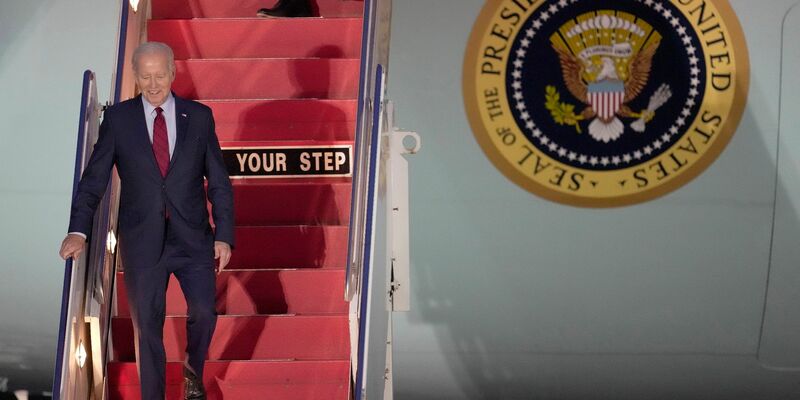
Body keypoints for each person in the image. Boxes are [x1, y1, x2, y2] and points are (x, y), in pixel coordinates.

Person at [59, 42, 234, 400]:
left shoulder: (199, 117)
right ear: (135, 77)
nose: (153, 84)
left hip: (193, 237)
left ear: (172, 72)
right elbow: (94, 179)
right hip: (142, 243)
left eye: (159, 75)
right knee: (148, 331)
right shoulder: (119, 120)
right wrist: (78, 230)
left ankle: (191, 369)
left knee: (204, 312)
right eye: (145, 76)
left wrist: (224, 235)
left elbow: (218, 181)